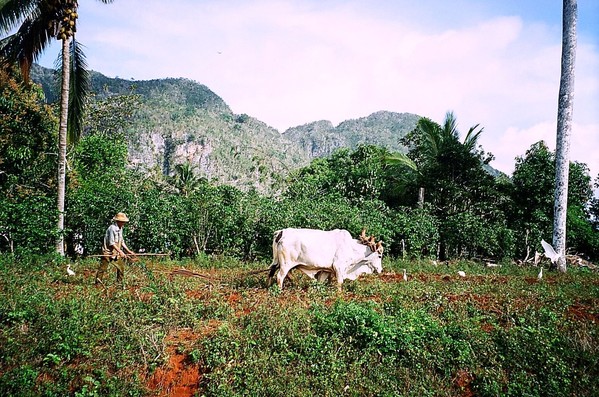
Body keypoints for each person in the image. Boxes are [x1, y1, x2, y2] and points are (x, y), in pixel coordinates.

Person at [95, 212, 137, 285]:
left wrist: (129, 251)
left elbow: (122, 241)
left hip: (116, 253)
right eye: (122, 222)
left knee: (121, 268)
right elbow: (111, 243)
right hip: (108, 252)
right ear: (118, 221)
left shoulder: (120, 229)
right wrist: (120, 251)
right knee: (102, 268)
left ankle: (119, 283)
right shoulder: (112, 228)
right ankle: (97, 284)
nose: (123, 223)